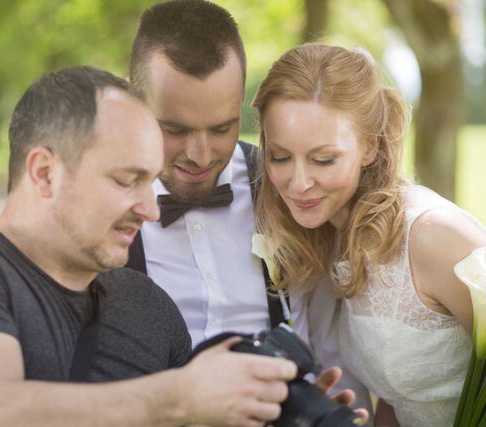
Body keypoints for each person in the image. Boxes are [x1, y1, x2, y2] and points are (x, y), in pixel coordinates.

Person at [0, 66, 301, 427]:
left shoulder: (150, 307)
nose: (150, 210)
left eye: (151, 182)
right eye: (126, 180)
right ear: (45, 173)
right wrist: (181, 395)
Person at [253, 42, 486, 426]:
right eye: (279, 157)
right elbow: (397, 397)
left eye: (323, 159)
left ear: (370, 147)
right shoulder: (335, 239)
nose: (299, 183)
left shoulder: (430, 235)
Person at [125, 0, 373, 414]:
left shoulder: (291, 188)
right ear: (132, 94)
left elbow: (331, 333)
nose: (200, 155)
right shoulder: (96, 202)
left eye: (222, 127)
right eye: (175, 128)